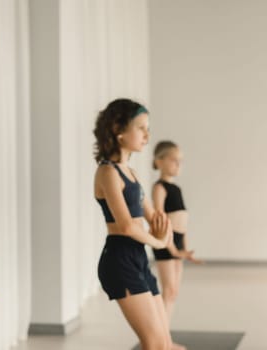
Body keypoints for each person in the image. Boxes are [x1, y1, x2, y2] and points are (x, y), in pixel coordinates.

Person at [93, 98, 179, 350]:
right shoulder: (107, 172)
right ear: (119, 130)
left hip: (138, 257)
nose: (147, 134)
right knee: (154, 344)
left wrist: (166, 229)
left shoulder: (130, 172)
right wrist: (158, 240)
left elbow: (152, 215)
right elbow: (127, 226)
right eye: (141, 128)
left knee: (163, 343)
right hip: (118, 260)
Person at [151, 141, 201, 331]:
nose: (178, 164)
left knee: (173, 293)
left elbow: (182, 223)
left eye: (180, 161)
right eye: (173, 160)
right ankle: (161, 337)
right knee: (168, 290)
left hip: (176, 243)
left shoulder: (177, 189)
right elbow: (160, 219)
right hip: (165, 242)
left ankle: (164, 334)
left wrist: (184, 250)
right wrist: (171, 248)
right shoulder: (159, 188)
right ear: (159, 161)